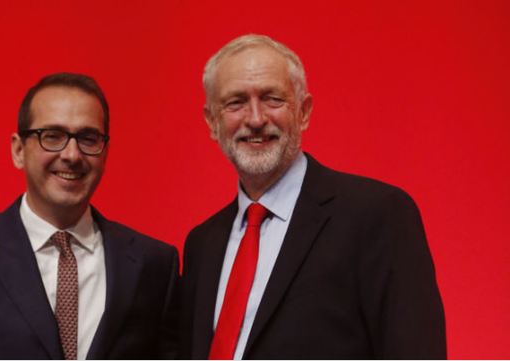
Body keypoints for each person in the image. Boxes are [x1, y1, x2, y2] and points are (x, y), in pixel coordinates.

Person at [179, 34, 446, 359]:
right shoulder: (201, 245)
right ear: (212, 122)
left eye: (272, 99)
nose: (255, 118)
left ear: (303, 111)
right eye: (235, 102)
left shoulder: (378, 215)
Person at [0, 73, 179, 359]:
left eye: (88, 138)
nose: (72, 154)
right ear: (18, 150)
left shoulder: (155, 264)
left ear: (105, 154)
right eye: (52, 136)